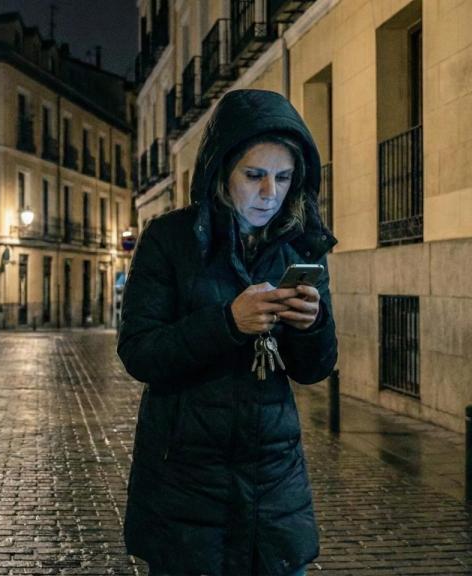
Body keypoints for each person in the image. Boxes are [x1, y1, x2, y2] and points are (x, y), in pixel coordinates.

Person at [117, 89, 338, 576]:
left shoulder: (300, 245)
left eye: (283, 178)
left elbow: (316, 369)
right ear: (222, 172)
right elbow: (140, 352)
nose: (269, 194)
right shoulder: (170, 240)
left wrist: (311, 324)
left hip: (274, 487)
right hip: (186, 486)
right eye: (254, 175)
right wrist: (226, 324)